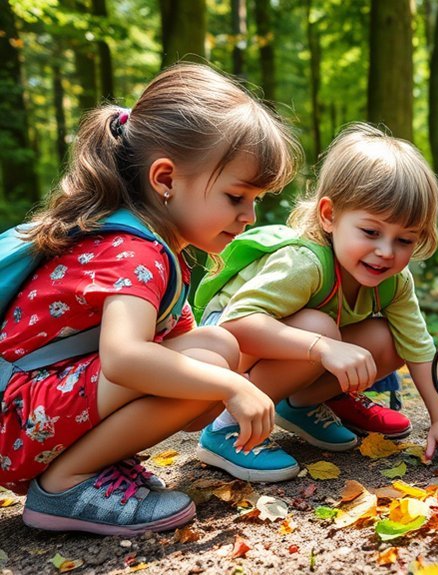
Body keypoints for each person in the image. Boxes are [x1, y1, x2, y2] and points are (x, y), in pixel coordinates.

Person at [0, 63, 300, 535]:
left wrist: (219, 379)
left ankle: (91, 467)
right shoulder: (134, 252)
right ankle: (65, 484)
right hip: (17, 414)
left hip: (36, 408)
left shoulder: (158, 249)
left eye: (256, 199)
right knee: (213, 363)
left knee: (215, 348)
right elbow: (124, 360)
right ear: (165, 179)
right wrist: (231, 388)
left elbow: (180, 353)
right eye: (236, 195)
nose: (249, 215)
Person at [197, 122, 438, 477]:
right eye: (370, 232)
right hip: (222, 347)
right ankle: (227, 426)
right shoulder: (304, 263)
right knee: (319, 327)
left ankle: (304, 404)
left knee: (390, 338)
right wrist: (322, 347)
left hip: (288, 342)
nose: (386, 252)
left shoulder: (394, 281)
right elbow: (236, 323)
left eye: (405, 240)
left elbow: (418, 346)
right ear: (329, 215)